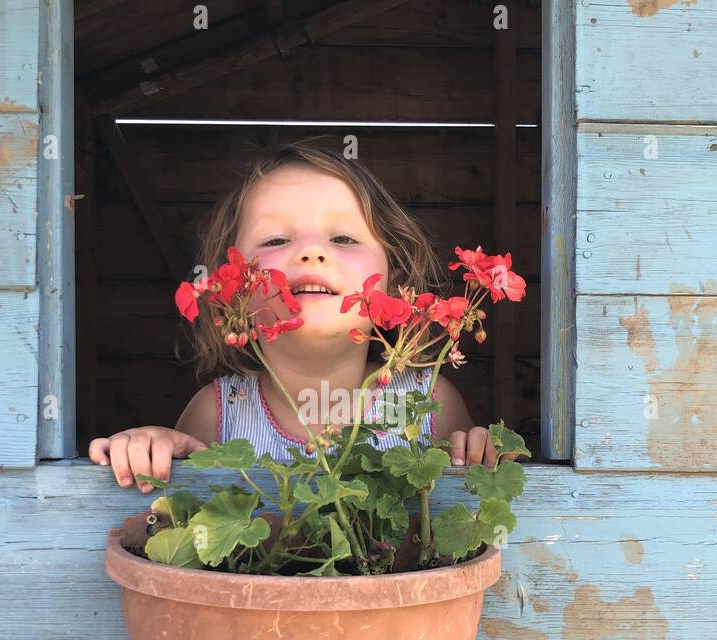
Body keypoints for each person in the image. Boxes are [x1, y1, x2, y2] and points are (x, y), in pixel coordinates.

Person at [89, 138, 508, 493]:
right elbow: (179, 498)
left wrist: (476, 449)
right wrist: (151, 446)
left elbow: (467, 492)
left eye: (343, 237)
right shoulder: (218, 412)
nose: (311, 251)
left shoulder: (429, 402)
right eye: (276, 238)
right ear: (229, 288)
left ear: (394, 283)